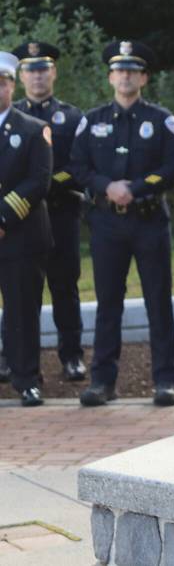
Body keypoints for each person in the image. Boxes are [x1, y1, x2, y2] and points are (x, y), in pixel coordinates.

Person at [69, 40, 174, 407]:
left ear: (144, 78)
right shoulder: (93, 120)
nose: (125, 77)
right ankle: (102, 381)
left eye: (132, 71)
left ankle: (165, 380)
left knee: (157, 301)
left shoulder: (161, 121)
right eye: (119, 71)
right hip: (106, 224)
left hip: (149, 222)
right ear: (110, 78)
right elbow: (78, 167)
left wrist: (134, 189)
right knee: (108, 304)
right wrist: (107, 187)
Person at [10, 41, 87, 381]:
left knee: (64, 287)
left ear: (53, 72)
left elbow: (82, 165)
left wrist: (43, 183)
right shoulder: (8, 119)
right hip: (20, 221)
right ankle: (9, 356)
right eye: (30, 69)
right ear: (20, 76)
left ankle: (71, 356)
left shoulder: (72, 117)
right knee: (16, 290)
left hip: (60, 213)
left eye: (43, 69)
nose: (37, 76)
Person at [0, 51, 53, 406]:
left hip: (19, 235)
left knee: (22, 310)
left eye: (2, 82)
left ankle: (26, 378)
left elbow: (39, 182)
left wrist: (2, 217)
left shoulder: (33, 129)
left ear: (12, 85)